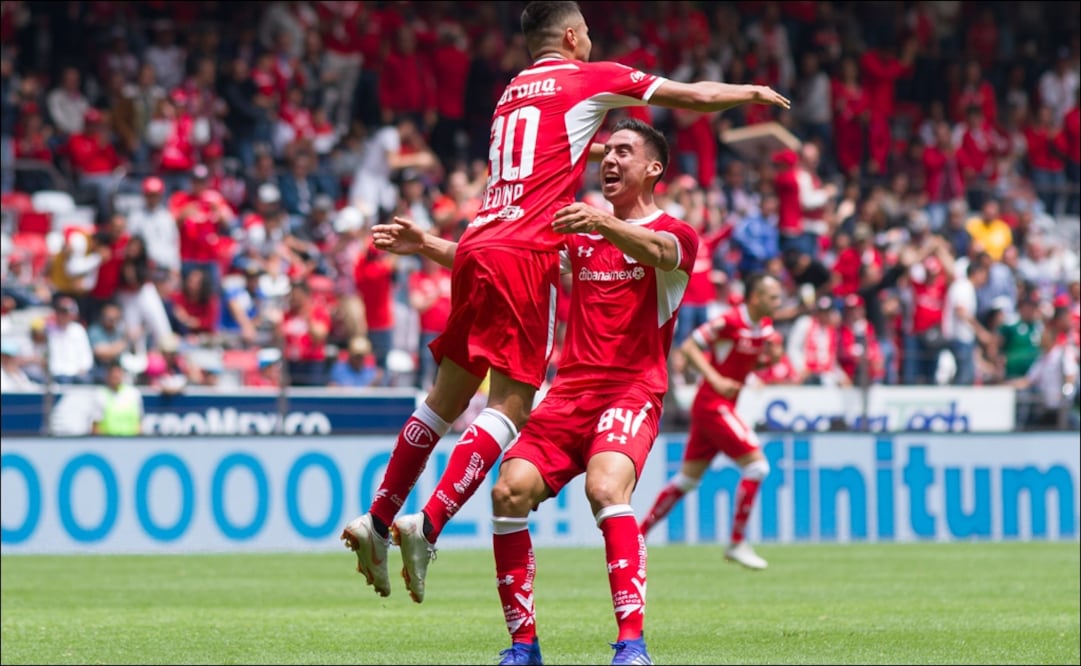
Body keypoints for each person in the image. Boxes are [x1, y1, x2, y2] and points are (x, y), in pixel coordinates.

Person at [340, 0, 790, 602]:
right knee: (509, 407)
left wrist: (427, 245)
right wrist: (751, 92)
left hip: (479, 242)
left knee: (441, 403)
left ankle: (376, 517)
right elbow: (693, 97)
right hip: (525, 249)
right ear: (575, 36)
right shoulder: (591, 77)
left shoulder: (509, 94)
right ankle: (429, 523)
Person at [373, 119, 697, 665]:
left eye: (624, 151)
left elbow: (659, 251)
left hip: (631, 391)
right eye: (605, 152)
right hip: (568, 395)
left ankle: (632, 645)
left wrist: (598, 220)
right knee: (508, 492)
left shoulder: (676, 233)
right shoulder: (583, 233)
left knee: (606, 487)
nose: (609, 160)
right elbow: (506, 263)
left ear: (654, 168)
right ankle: (524, 647)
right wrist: (426, 243)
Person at [639, 271, 783, 571]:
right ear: (755, 298)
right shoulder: (730, 321)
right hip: (712, 404)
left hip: (720, 405)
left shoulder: (764, 327)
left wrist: (769, 360)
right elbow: (690, 346)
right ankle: (736, 543)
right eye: (773, 297)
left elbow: (749, 359)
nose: (778, 302)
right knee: (757, 466)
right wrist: (716, 378)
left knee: (687, 480)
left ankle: (637, 537)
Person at [90, 359, 144, 436]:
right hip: (108, 443)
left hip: (131, 443)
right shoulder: (100, 395)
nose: (115, 376)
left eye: (118, 372)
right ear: (107, 375)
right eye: (112, 373)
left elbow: (139, 423)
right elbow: (96, 426)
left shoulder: (134, 394)